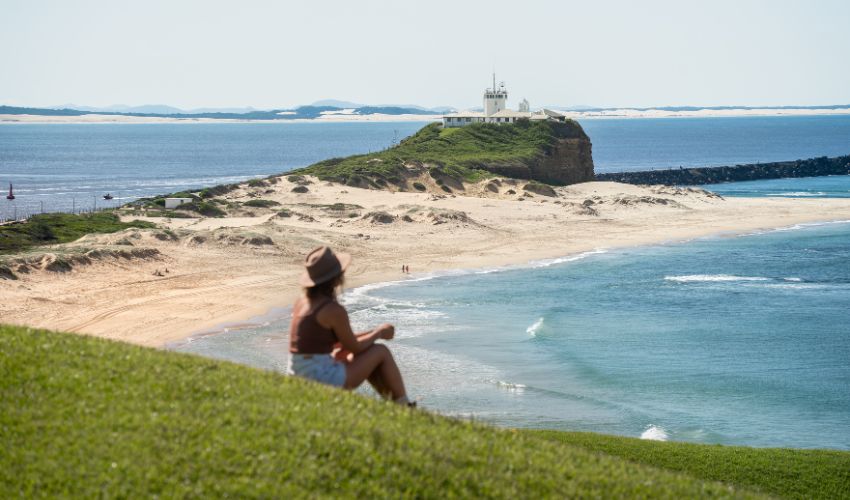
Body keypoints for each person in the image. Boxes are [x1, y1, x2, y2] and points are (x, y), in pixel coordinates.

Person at [288, 246, 412, 406]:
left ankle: (395, 405)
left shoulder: (302, 302)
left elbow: (343, 342)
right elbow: (355, 347)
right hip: (318, 377)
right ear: (337, 279)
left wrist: (373, 333)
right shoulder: (332, 310)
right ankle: (406, 406)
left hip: (298, 371)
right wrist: (379, 333)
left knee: (366, 354)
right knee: (380, 351)